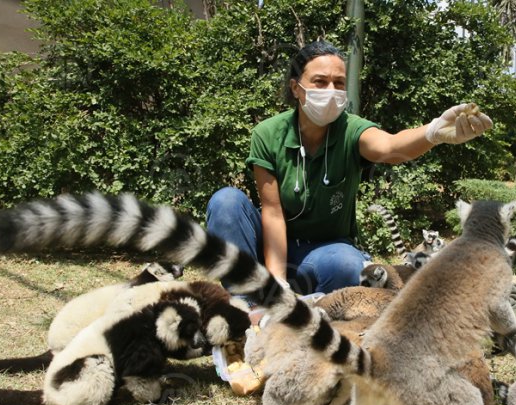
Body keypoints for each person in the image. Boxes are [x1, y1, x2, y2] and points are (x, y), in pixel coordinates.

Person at [206, 41, 492, 298]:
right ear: (296, 88)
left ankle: (303, 297)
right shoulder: (268, 134)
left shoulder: (351, 129)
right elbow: (272, 213)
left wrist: (433, 132)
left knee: (346, 266)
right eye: (319, 81)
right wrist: (277, 278)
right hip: (270, 245)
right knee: (226, 202)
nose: (331, 91)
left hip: (325, 250)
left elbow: (391, 148)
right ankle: (247, 301)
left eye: (339, 83)